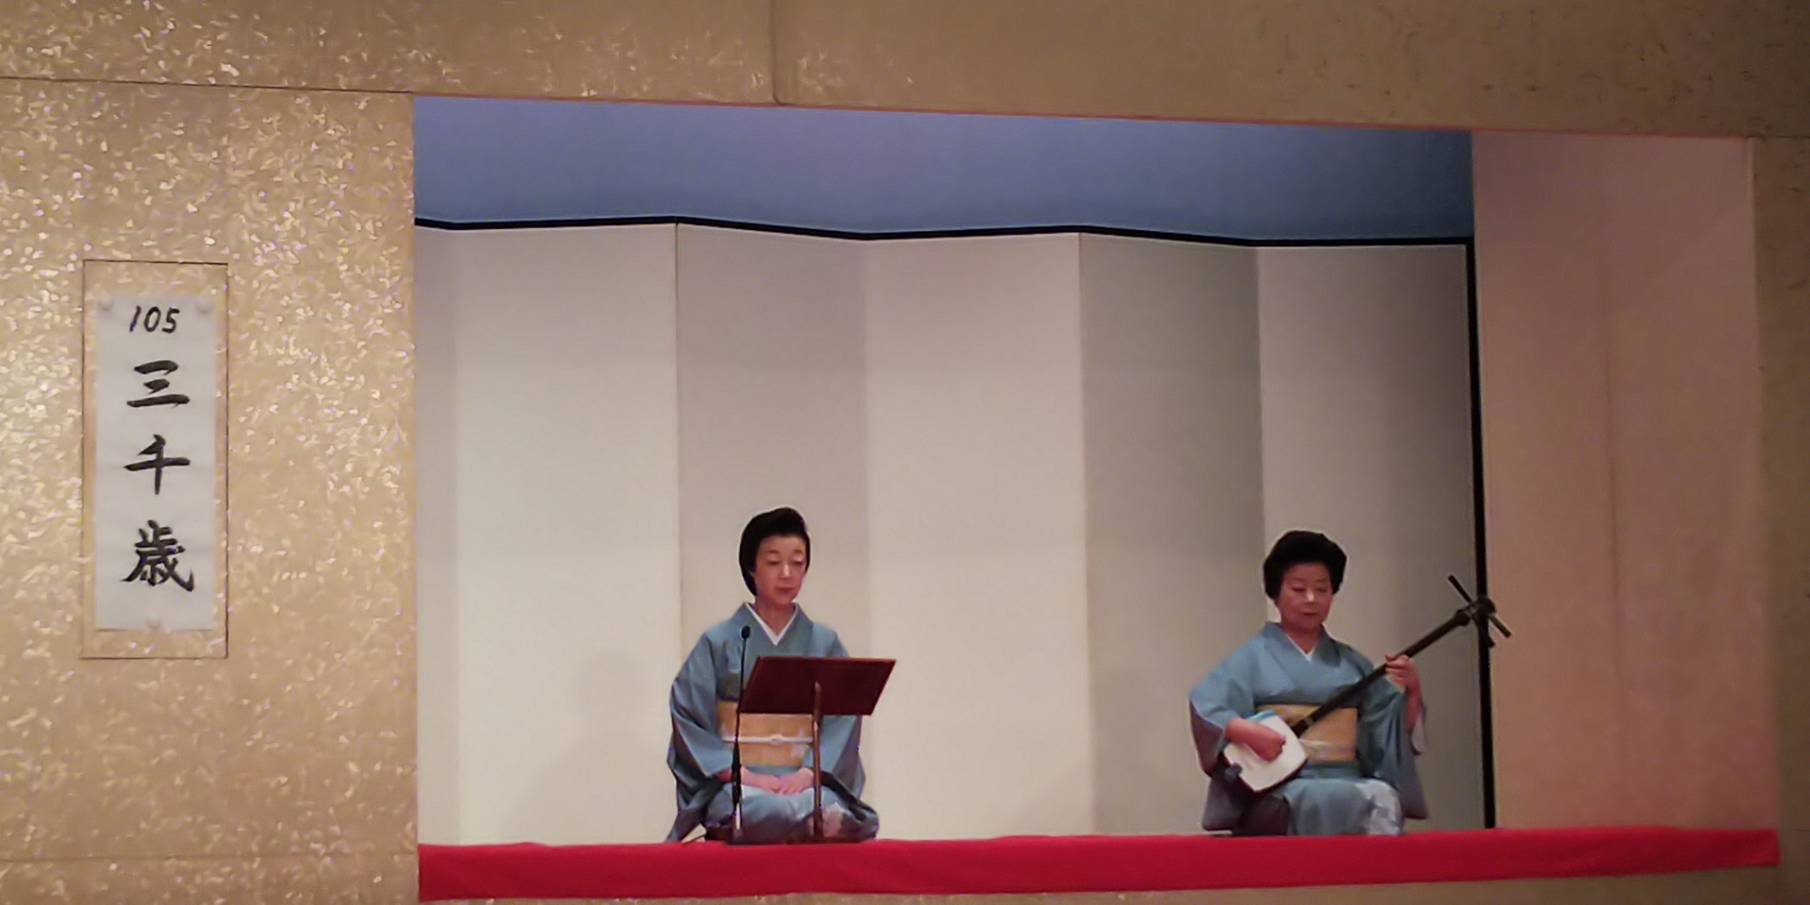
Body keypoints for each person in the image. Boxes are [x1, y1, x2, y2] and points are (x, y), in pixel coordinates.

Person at [1188, 530, 1427, 835]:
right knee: (1318, 800)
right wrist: (1246, 731)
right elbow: (1206, 705)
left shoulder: (1353, 664)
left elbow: (1389, 728)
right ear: (1276, 593)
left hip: (1347, 777)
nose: (1311, 599)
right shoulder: (1251, 659)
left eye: (1321, 589)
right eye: (1298, 589)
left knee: (1384, 798)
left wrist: (1412, 692)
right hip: (1279, 785)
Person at [665, 507, 879, 843]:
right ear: (751, 567)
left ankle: (814, 818)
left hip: (807, 784)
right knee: (760, 808)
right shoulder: (719, 642)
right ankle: (810, 824)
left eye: (797, 562)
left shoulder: (824, 642)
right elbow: (689, 717)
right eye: (773, 562)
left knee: (818, 804)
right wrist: (743, 775)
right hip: (741, 785)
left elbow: (842, 720)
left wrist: (808, 774)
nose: (787, 573)